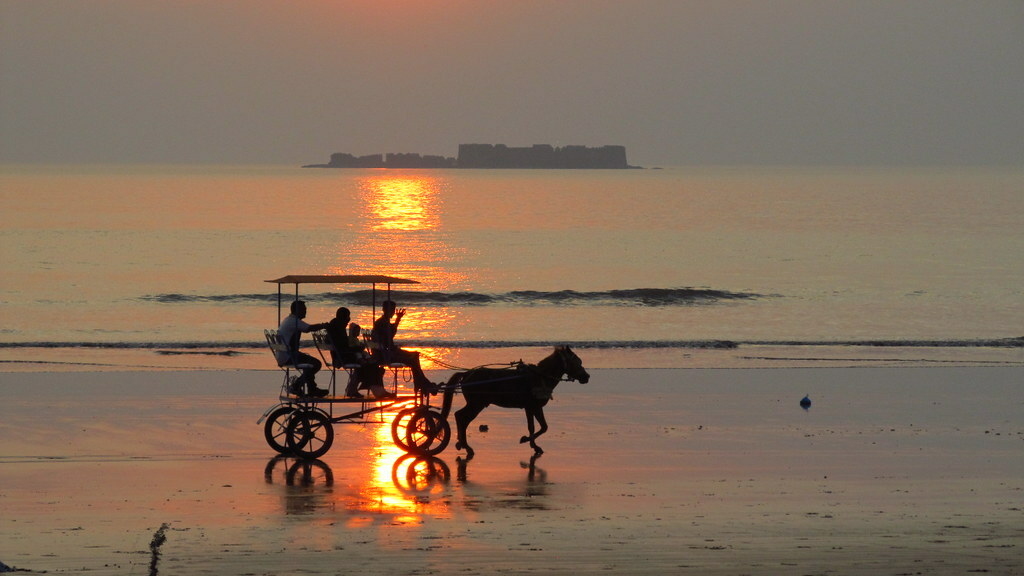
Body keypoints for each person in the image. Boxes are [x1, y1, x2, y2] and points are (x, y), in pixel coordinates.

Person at [370, 300, 434, 391]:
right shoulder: (382, 322)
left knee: (415, 355)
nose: (392, 312)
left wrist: (398, 319)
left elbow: (391, 333)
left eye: (393, 309)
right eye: (391, 309)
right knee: (412, 360)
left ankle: (420, 383)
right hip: (385, 354)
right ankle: (422, 383)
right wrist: (398, 320)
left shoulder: (384, 321)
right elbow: (390, 336)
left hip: (390, 351)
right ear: (384, 309)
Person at [275, 300, 329, 397]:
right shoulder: (294, 321)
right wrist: (323, 325)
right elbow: (308, 328)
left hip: (283, 354)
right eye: (303, 309)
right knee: (316, 364)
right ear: (297, 310)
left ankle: (310, 388)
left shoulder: (288, 320)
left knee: (310, 362)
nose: (305, 312)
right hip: (288, 356)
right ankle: (298, 386)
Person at [325, 307, 376, 398]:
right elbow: (343, 347)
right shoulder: (338, 327)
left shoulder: (335, 325)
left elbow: (343, 345)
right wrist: (358, 349)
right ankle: (354, 388)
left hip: (341, 355)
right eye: (348, 317)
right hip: (342, 357)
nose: (348, 320)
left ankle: (354, 387)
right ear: (343, 317)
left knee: (366, 361)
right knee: (366, 363)